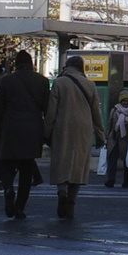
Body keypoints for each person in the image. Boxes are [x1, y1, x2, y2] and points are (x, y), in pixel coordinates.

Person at [0, 52, 51, 218]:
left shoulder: (7, 81)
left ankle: (8, 188)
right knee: (26, 170)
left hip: (10, 130)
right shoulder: (42, 82)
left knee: (7, 165)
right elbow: (48, 109)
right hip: (32, 131)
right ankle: (20, 207)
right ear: (32, 64)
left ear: (16, 64)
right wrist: (48, 133)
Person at [46, 55, 104, 219]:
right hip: (83, 130)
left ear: (67, 66)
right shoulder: (90, 85)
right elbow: (96, 114)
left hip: (62, 128)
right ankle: (71, 201)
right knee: (78, 166)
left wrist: (47, 131)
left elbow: (51, 111)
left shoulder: (59, 83)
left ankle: (62, 193)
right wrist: (100, 135)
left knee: (61, 162)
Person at [107, 89, 128, 189]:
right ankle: (110, 180)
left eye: (127, 100)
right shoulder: (114, 110)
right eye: (123, 100)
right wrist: (107, 136)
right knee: (112, 159)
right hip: (114, 138)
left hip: (126, 139)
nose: (125, 102)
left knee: (127, 161)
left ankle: (127, 182)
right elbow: (109, 124)